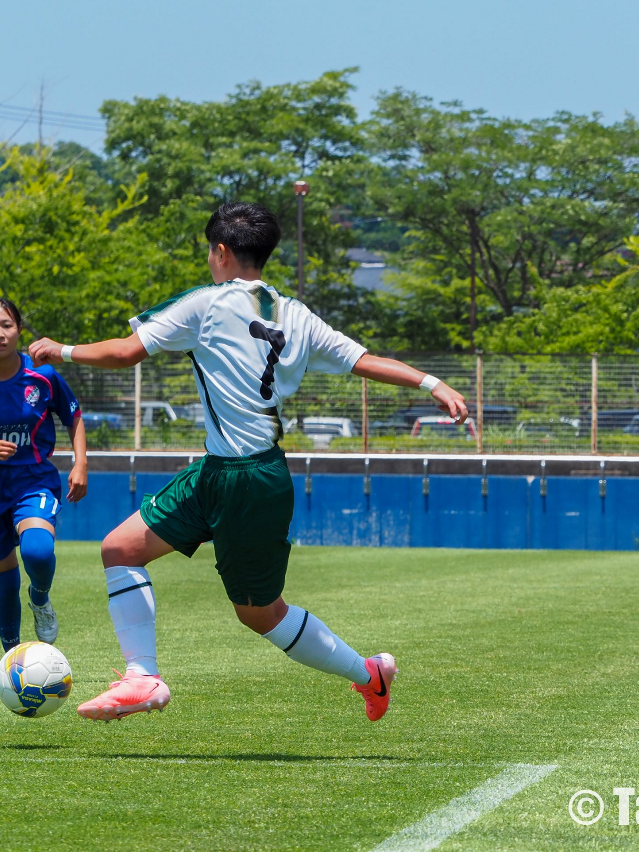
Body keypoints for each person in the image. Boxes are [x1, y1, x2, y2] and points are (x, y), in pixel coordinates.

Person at [28, 202, 469, 722]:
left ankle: (368, 673)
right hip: (220, 471)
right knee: (120, 549)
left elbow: (127, 352)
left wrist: (63, 350)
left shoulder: (206, 304)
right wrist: (433, 383)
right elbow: (365, 361)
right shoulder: (296, 314)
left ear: (221, 252)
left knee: (260, 614)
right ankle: (142, 677)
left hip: (250, 479)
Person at [0, 298, 87, 651]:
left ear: (19, 330)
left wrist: (81, 462)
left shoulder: (43, 375)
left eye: (6, 325)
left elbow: (73, 415)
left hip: (32, 478)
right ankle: (14, 657)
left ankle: (40, 597)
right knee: (4, 582)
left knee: (38, 552)